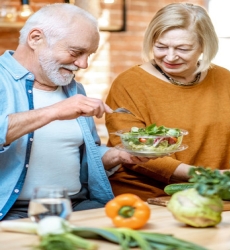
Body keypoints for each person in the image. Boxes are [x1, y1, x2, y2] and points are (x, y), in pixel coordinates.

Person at [105, 3, 230, 200]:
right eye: (160, 46)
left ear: (204, 45)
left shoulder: (224, 79)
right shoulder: (129, 83)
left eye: (183, 48)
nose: (170, 56)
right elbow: (131, 152)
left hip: (213, 193)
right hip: (148, 197)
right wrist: (204, 175)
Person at [0, 3, 151, 221]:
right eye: (76, 52)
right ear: (35, 38)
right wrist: (55, 111)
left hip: (78, 204)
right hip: (12, 210)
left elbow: (80, 158)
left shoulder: (73, 89)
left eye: (89, 54)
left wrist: (117, 155)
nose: (83, 64)